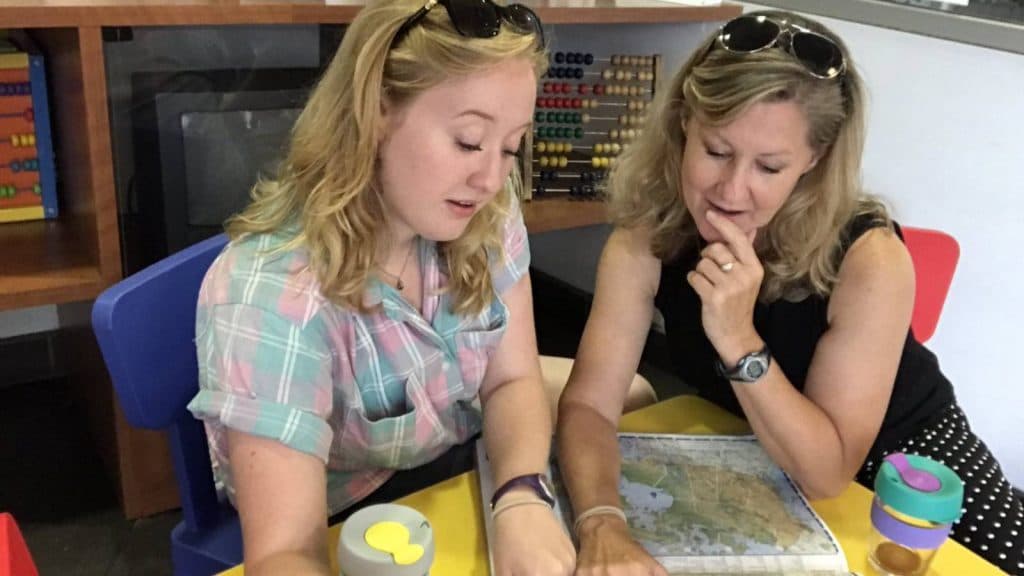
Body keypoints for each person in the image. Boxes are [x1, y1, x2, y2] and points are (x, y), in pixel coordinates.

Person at [556, 10, 1023, 575]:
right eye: (716, 151)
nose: (732, 191)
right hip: (760, 462)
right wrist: (601, 522)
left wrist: (736, 339)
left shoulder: (870, 258)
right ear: (684, 125)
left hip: (909, 469)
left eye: (769, 167)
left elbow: (829, 473)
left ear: (814, 159)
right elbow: (587, 404)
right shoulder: (648, 238)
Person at [186, 1, 577, 574]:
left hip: (453, 436)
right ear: (376, 115)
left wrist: (521, 494)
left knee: (633, 395)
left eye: (510, 147)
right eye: (469, 142)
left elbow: (513, 377)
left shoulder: (485, 206)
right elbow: (284, 553)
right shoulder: (271, 294)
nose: (492, 177)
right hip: (355, 502)